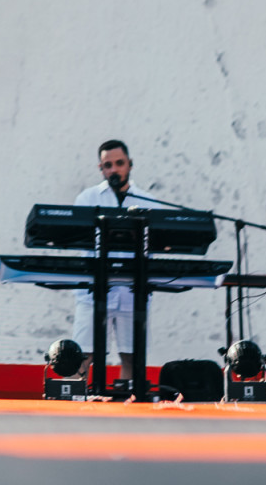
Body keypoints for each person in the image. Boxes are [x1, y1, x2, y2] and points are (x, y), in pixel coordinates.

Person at [71, 140, 164, 380]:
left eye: (119, 164)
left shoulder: (147, 201)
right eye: (108, 165)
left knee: (132, 356)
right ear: (101, 169)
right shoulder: (87, 198)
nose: (114, 170)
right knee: (83, 354)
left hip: (133, 291)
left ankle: (127, 404)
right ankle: (75, 405)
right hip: (93, 290)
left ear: (130, 165)